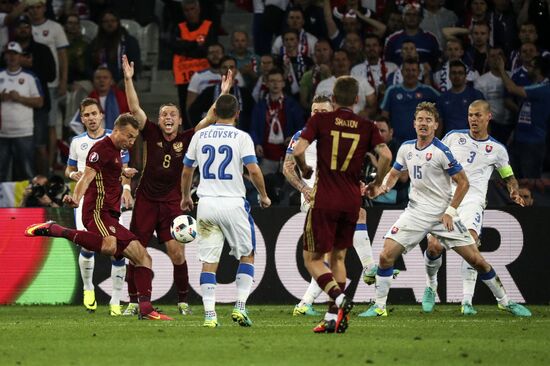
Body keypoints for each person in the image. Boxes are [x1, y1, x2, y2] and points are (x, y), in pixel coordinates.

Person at [363, 102, 531, 318]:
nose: (423, 124)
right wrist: (381, 188)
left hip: (447, 211)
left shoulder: (449, 151)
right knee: (387, 255)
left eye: (428, 120)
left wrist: (451, 211)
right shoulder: (408, 147)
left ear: (435, 125)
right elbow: (395, 174)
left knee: (476, 260)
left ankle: (504, 301)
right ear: (413, 123)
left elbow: (469, 181)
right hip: (415, 212)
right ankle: (380, 306)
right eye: (420, 120)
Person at [25, 113, 173, 321]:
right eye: (129, 137)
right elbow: (86, 177)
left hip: (111, 214)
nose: (131, 142)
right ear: (118, 130)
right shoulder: (100, 150)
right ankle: (56, 229)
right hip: (97, 211)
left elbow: (111, 170)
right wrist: (76, 198)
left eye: (134, 139)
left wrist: (124, 173)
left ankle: (146, 309)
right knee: (110, 246)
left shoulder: (116, 151)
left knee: (143, 257)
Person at [121, 54, 232, 317]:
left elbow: (211, 117)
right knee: (135, 251)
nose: (168, 117)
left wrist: (223, 93)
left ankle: (182, 300)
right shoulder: (150, 133)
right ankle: (133, 301)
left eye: (172, 114)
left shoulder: (187, 137)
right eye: (163, 114)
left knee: (177, 253)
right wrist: (128, 79)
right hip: (146, 200)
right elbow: (134, 108)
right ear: (158, 120)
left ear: (180, 120)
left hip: (172, 203)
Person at [293, 76, 392, 333]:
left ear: (334, 99)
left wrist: (304, 169)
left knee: (312, 259)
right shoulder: (367, 125)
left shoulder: (321, 120)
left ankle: (339, 298)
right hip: (351, 200)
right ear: (357, 100)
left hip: (325, 197)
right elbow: (386, 155)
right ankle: (332, 319)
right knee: (338, 257)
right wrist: (376, 184)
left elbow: (298, 150)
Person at [422, 100, 526, 315]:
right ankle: (431, 287)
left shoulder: (497, 149)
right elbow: (434, 159)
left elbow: (509, 177)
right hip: (446, 197)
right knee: (433, 246)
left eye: (478, 115)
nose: (473, 119)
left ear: (489, 116)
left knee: (470, 247)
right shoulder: (453, 137)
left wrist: (514, 190)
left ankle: (467, 301)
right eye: (470, 115)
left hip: (472, 200)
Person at [180, 94, 271, 328]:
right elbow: (254, 169)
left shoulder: (199, 135)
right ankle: (240, 306)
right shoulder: (242, 137)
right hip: (233, 203)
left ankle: (210, 315)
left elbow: (187, 171)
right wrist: (263, 195)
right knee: (247, 255)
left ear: (214, 113)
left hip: (207, 204)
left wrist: (185, 196)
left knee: (209, 261)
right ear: (237, 113)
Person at [65, 98, 132, 316]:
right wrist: (72, 174)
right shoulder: (77, 142)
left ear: (101, 115)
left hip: (111, 201)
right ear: (82, 119)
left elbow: (125, 168)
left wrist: (127, 189)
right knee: (88, 247)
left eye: (94, 114)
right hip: (87, 199)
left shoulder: (116, 137)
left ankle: (115, 299)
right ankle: (88, 288)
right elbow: (70, 169)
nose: (91, 118)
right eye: (87, 115)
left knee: (118, 250)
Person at [27, 0, 69, 172]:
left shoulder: (55, 27)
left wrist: (63, 81)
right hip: (27, 84)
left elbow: (63, 56)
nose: (35, 11)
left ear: (44, 8)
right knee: (30, 126)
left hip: (49, 84)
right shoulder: (22, 26)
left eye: (38, 7)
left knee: (51, 125)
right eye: (31, 8)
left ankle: (50, 164)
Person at [0, 41, 44, 182]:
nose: (12, 57)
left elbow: (39, 102)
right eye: (9, 54)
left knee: (27, 171)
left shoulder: (30, 77)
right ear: (5, 56)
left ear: (20, 57)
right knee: (1, 171)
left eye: (15, 54)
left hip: (24, 132)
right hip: (2, 133)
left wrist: (19, 98)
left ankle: (28, 202)